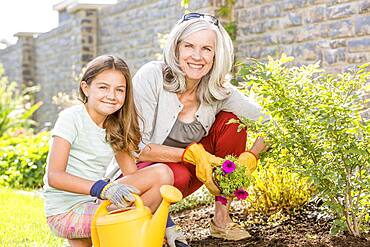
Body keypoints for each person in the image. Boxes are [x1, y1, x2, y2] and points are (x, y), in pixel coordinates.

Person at [107, 13, 270, 246]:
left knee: (232, 123)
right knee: (177, 173)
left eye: (206, 49)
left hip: (191, 171)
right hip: (142, 172)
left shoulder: (219, 91)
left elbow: (270, 124)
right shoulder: (153, 76)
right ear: (176, 49)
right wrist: (188, 155)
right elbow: (133, 148)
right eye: (189, 46)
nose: (197, 56)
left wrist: (250, 157)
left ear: (216, 55)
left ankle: (222, 221)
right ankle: (154, 222)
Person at [43, 55, 174, 247]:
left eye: (119, 90)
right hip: (66, 212)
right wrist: (103, 188)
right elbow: (55, 176)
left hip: (95, 205)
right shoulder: (71, 118)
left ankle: (100, 237)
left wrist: (165, 222)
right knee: (125, 229)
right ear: (85, 88)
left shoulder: (115, 126)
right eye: (103, 87)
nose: (111, 95)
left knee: (162, 173)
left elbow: (134, 178)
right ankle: (110, 236)